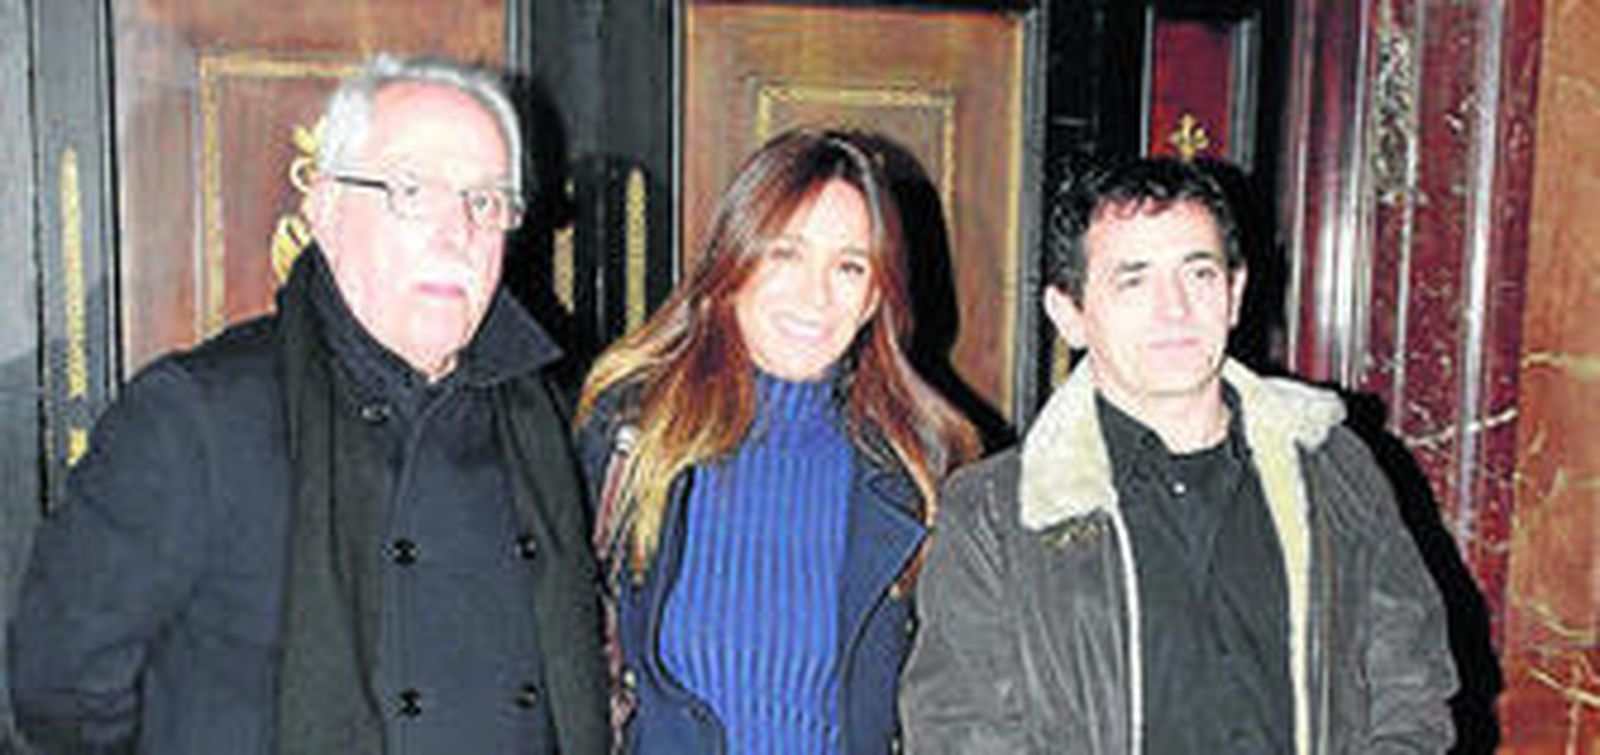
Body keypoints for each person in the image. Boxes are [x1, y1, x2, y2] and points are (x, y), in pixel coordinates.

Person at [10, 55, 608, 754]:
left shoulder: (545, 414)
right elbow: (59, 689)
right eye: (412, 191)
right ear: (324, 207)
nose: (457, 235)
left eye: (484, 200)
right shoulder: (196, 418)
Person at [899, 157, 1458, 754]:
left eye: (1199, 274)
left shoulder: (1333, 468)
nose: (1174, 309)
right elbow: (961, 732)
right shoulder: (998, 513)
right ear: (1070, 314)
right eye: (1133, 281)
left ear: (1235, 293)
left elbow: (1412, 692)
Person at [574, 128, 979, 754]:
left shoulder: (923, 472)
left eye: (849, 266)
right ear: (734, 264)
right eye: (786, 254)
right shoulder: (631, 439)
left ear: (875, 296)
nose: (814, 296)